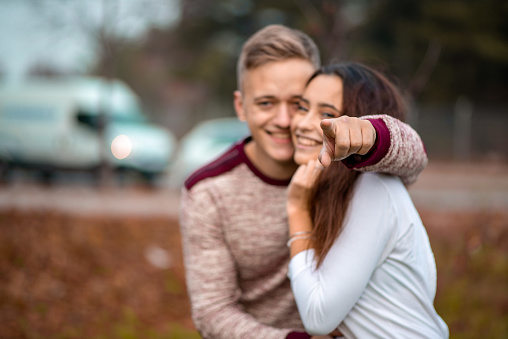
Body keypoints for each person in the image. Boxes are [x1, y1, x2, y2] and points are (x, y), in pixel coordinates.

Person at [179, 25, 428, 339]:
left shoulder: (346, 167)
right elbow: (213, 311)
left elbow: (415, 157)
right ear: (241, 106)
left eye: (297, 103)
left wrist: (368, 134)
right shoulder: (208, 191)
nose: (286, 121)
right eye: (266, 103)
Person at [286, 62, 449, 338]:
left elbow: (318, 316)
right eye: (303, 107)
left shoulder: (374, 187)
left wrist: (297, 209)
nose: (302, 124)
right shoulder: (330, 189)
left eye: (327, 113)